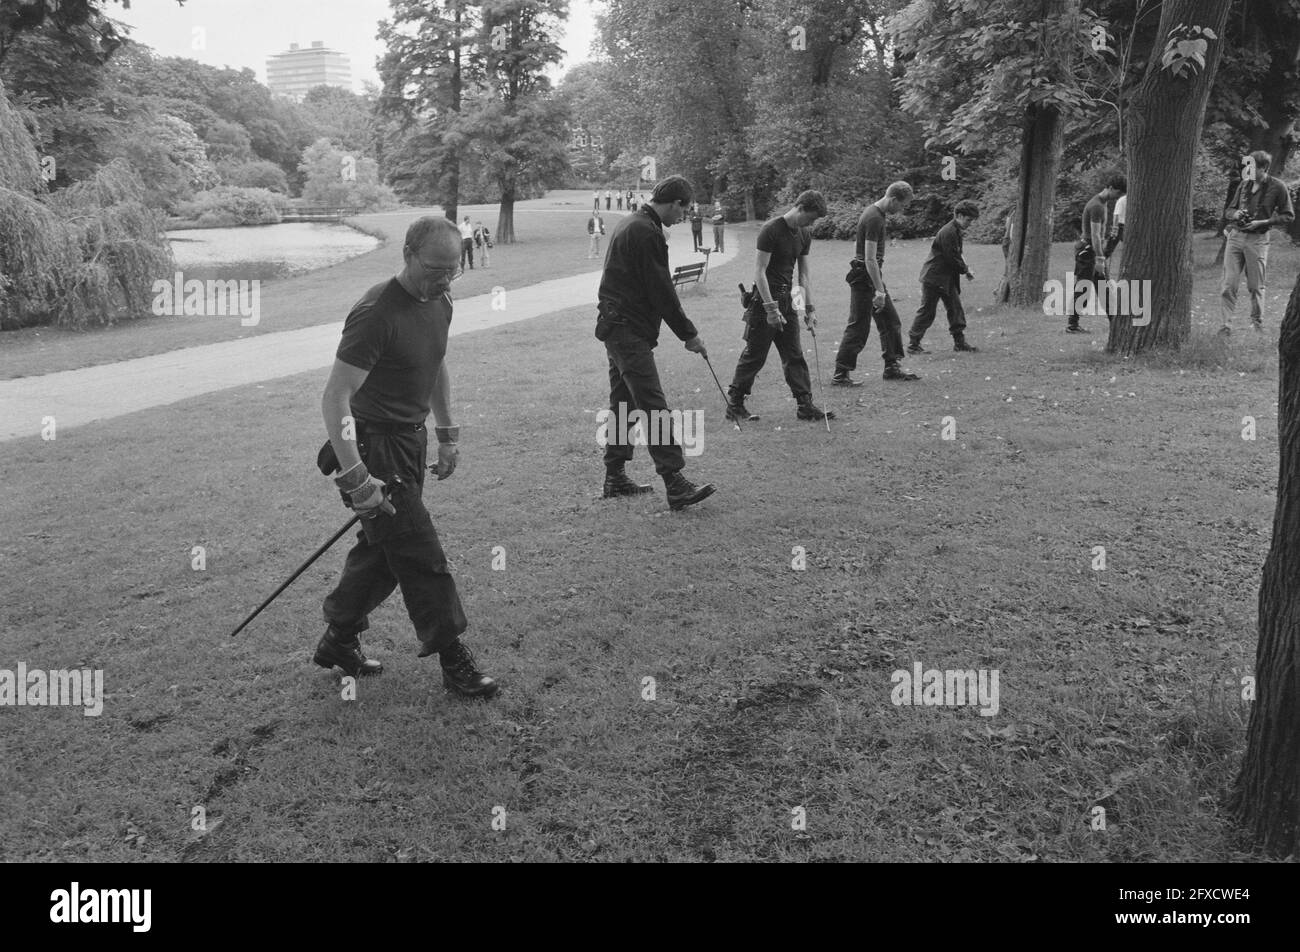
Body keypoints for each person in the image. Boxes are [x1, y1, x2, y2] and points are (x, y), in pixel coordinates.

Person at [315, 215, 497, 699]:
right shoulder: (376, 312)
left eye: (452, 270)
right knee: (419, 552)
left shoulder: (441, 301)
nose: (443, 280)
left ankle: (338, 638)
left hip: (411, 442)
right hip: (376, 448)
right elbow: (335, 397)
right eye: (435, 269)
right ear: (409, 255)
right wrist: (357, 478)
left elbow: (435, 363)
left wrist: (447, 433)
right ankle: (453, 657)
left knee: (383, 548)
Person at [595, 175, 715, 510]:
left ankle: (615, 476)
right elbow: (662, 290)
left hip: (617, 327)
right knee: (653, 405)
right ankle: (675, 482)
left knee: (623, 404)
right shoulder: (645, 231)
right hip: (626, 330)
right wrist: (689, 335)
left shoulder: (634, 223)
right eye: (685, 209)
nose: (684, 216)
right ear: (675, 202)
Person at [724, 190, 834, 423]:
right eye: (811, 217)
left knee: (794, 354)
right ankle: (734, 404)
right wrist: (771, 310)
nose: (811, 223)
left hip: (787, 301)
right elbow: (759, 272)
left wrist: (808, 309)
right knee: (755, 355)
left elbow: (802, 276)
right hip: (765, 302)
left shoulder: (804, 234)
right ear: (801, 207)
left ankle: (805, 406)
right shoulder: (771, 230)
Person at [831, 181, 921, 385]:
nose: (902, 210)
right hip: (865, 278)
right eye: (903, 205)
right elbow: (869, 258)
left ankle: (892, 367)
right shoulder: (874, 218)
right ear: (893, 199)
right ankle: (841, 374)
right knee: (859, 326)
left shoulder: (876, 214)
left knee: (890, 321)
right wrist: (879, 291)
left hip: (870, 276)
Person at [1220, 149, 1295, 335]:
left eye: (1252, 168)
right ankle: (1225, 326)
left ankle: (1257, 325)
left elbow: (1288, 216)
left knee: (1255, 286)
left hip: (1258, 239)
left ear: (1263, 168)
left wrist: (1264, 222)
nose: (1248, 171)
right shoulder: (1243, 185)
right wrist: (1235, 214)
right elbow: (1228, 211)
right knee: (1228, 285)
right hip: (1235, 237)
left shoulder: (1278, 187)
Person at [907, 200, 980, 354]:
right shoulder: (949, 232)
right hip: (934, 278)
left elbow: (957, 253)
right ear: (959, 215)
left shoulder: (956, 230)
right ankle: (913, 345)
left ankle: (959, 343)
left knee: (955, 309)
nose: (970, 224)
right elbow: (952, 257)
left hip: (946, 278)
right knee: (927, 312)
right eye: (968, 220)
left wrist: (965, 269)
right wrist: (965, 270)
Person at [1067, 173, 1125, 334]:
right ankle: (1072, 325)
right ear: (1111, 188)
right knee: (1083, 288)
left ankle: (1116, 324)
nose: (1118, 197)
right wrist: (1099, 258)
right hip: (1087, 252)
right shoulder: (1097, 206)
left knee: (1104, 288)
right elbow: (1095, 235)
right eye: (1118, 193)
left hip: (1091, 251)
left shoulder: (1102, 203)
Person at [1102, 192, 1126, 272]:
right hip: (1124, 226)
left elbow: (1116, 216)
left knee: (1109, 248)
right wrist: (1115, 229)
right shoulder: (1125, 200)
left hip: (1122, 227)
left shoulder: (1122, 200)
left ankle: (1100, 265)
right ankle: (1100, 265)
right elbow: (1116, 216)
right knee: (1110, 249)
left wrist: (1114, 229)